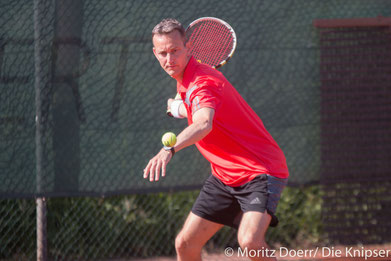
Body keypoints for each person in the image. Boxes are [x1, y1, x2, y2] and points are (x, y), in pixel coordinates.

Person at [143, 18, 289, 261]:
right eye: (163, 53)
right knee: (185, 244)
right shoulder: (187, 80)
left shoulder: (203, 82)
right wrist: (178, 109)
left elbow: (203, 123)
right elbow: (194, 105)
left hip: (259, 171)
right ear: (154, 53)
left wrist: (169, 149)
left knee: (250, 242)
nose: (170, 59)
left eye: (175, 51)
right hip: (224, 176)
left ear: (188, 47)